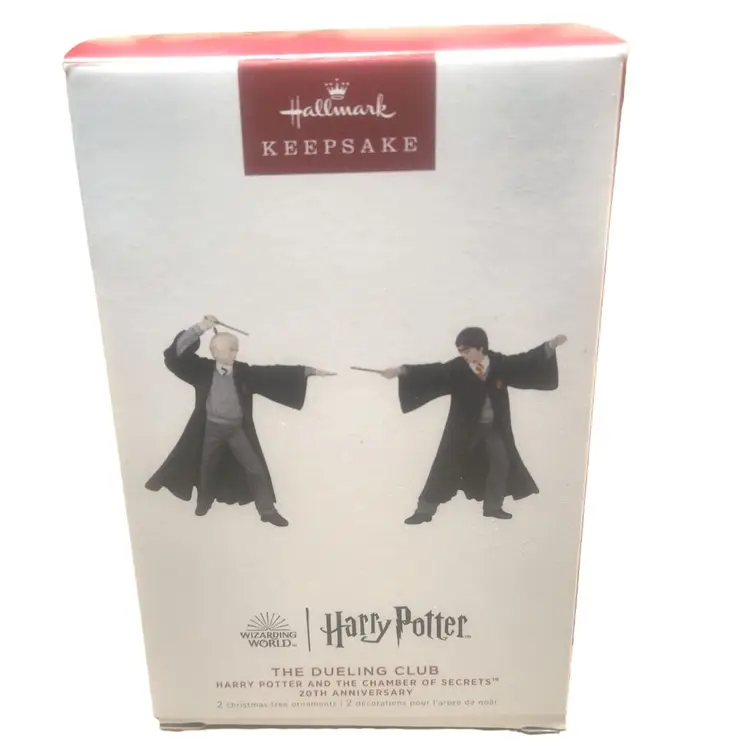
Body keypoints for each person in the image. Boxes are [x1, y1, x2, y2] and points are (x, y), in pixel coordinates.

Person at [145, 315, 335, 526]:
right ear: (215, 352)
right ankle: (204, 502)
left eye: (236, 350)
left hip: (236, 430)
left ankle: (267, 511)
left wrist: (309, 371)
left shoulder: (243, 372)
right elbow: (177, 354)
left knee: (255, 469)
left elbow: (272, 374)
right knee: (207, 467)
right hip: (210, 429)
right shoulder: (201, 370)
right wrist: (201, 327)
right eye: (230, 350)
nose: (235, 353)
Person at [378, 327, 566, 524]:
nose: (463, 355)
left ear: (481, 348)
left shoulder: (499, 364)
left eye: (466, 350)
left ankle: (493, 507)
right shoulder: (457, 368)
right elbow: (432, 372)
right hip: (463, 429)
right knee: (445, 466)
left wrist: (551, 345)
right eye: (460, 351)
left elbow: (525, 361)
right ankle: (424, 511)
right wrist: (400, 371)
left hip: (493, 428)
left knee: (501, 462)